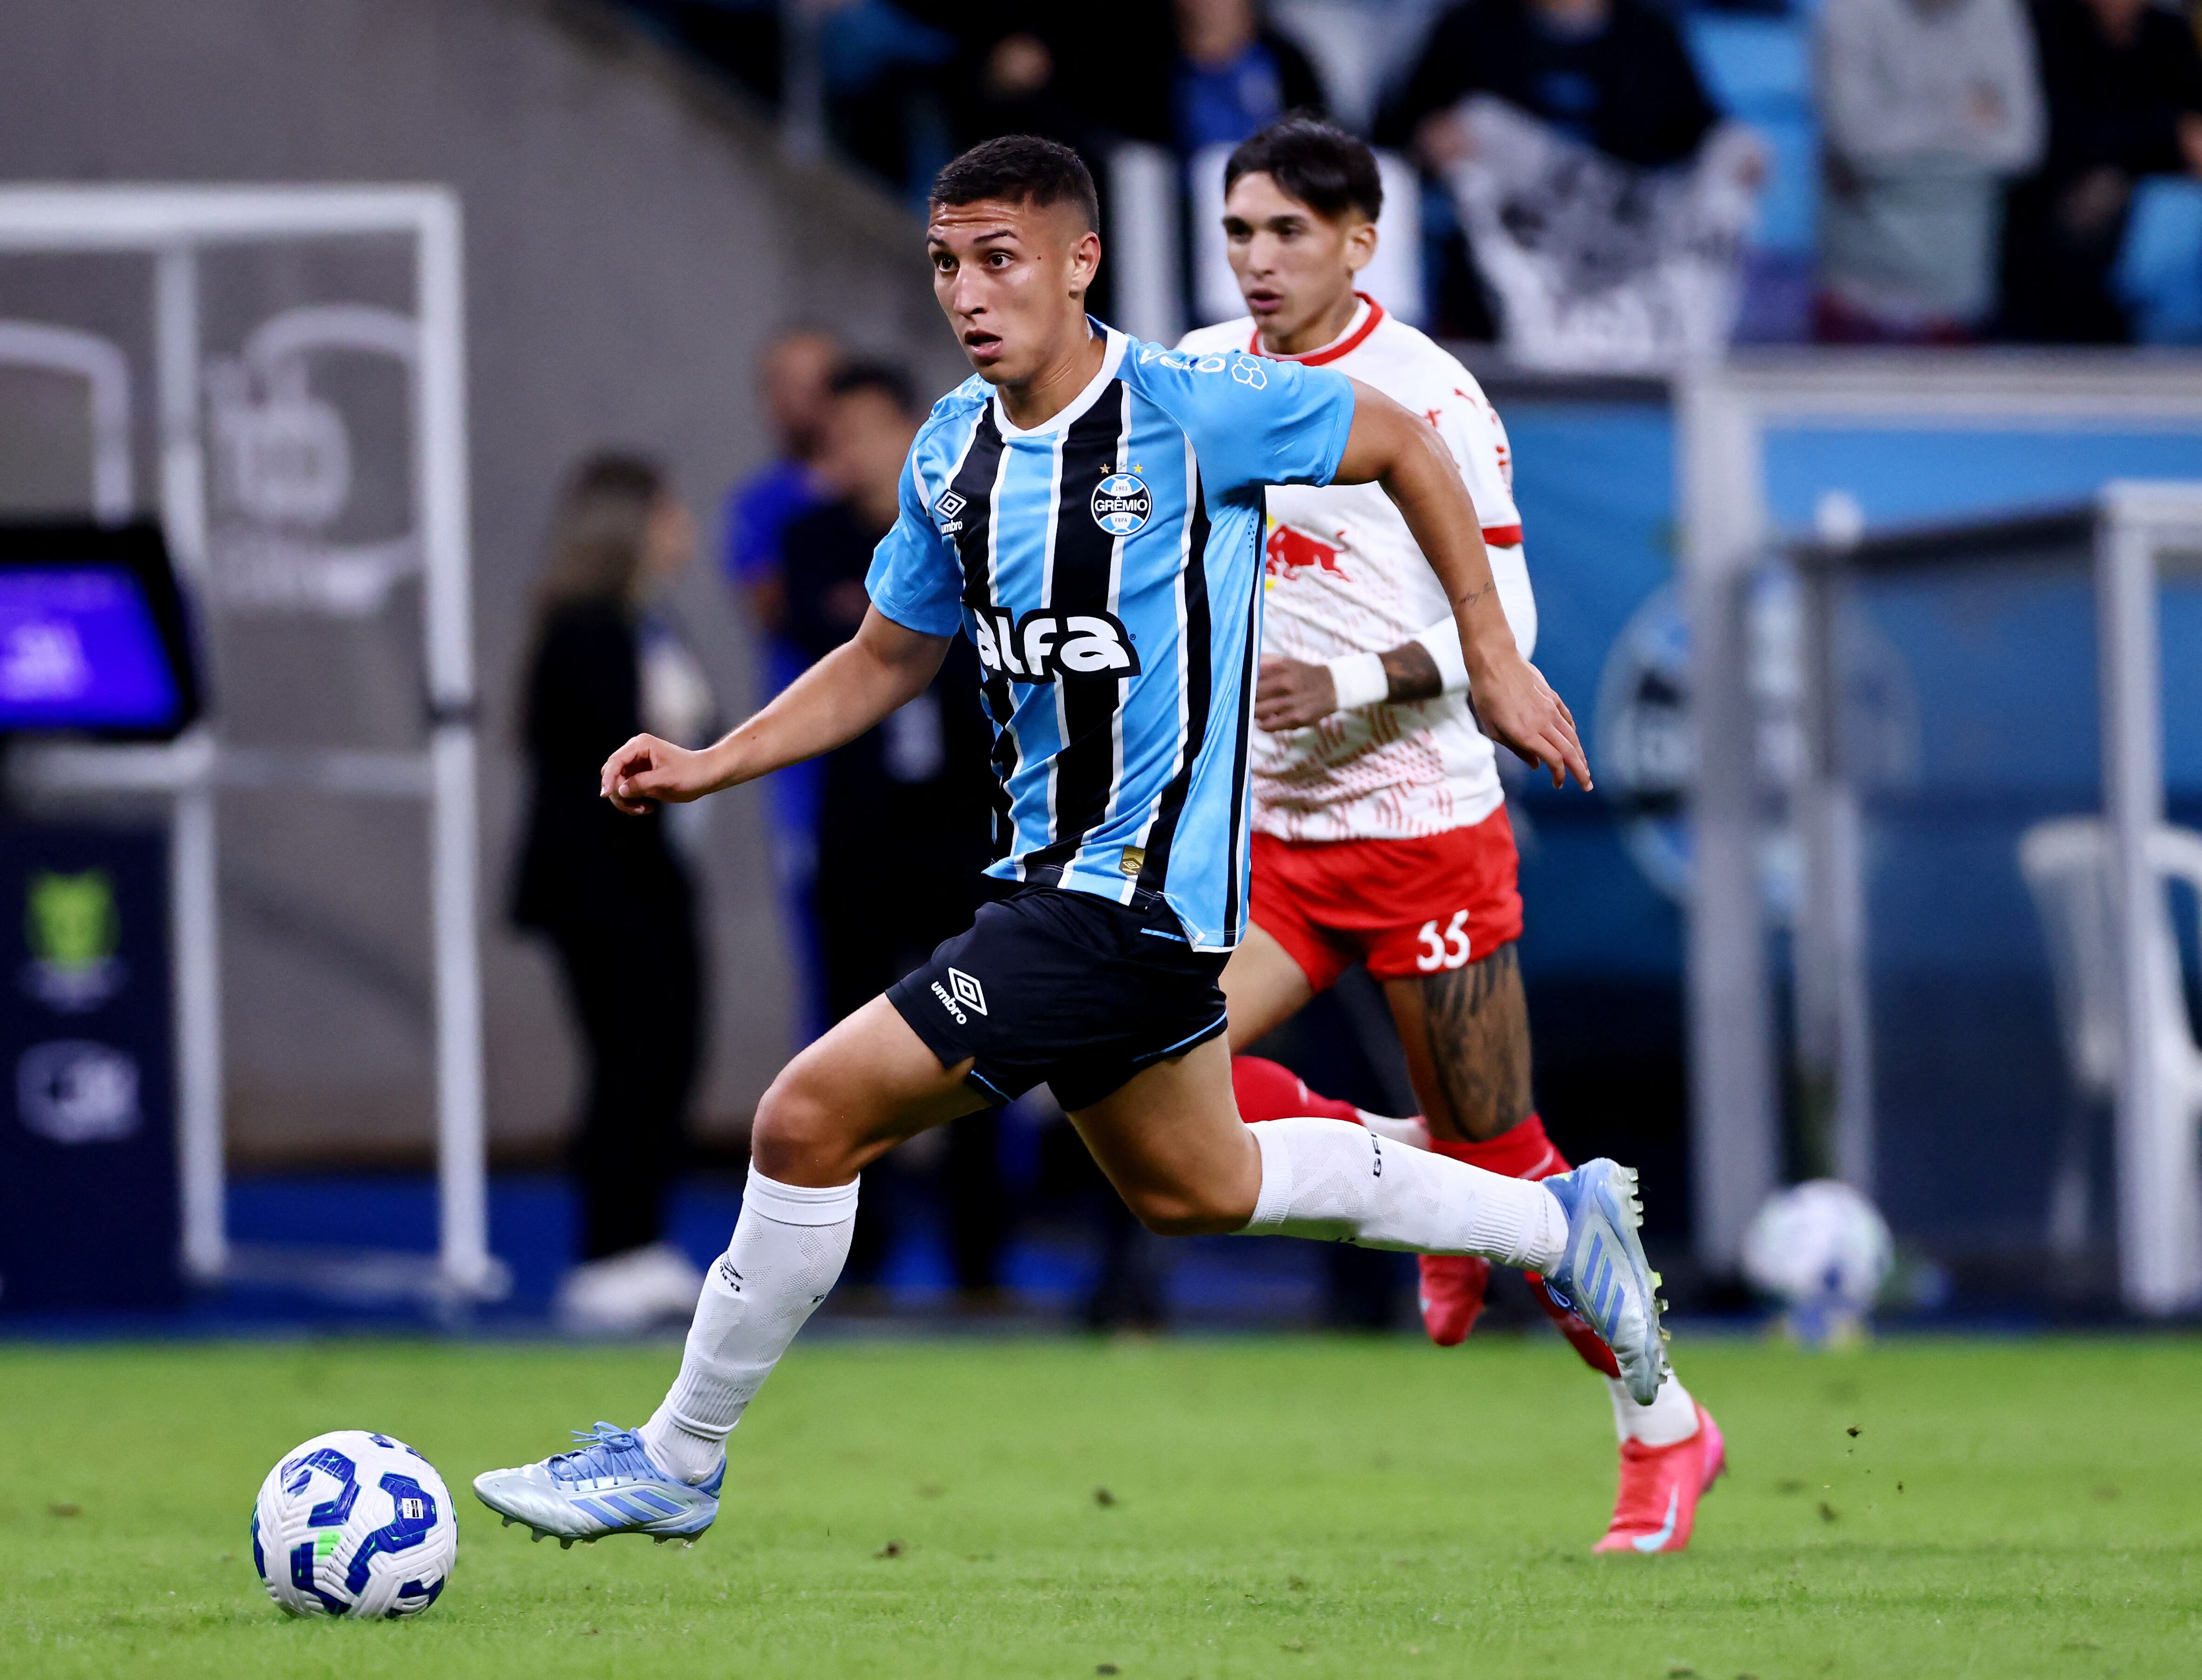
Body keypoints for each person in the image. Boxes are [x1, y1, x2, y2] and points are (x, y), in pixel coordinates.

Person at [474, 134, 1664, 1547]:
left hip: (1129, 907)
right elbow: (880, 655)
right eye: (942, 265)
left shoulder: (1191, 408)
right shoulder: (952, 451)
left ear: (1075, 263)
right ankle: (1554, 1222)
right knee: (1193, 1186)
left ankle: (676, 1458)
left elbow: (1399, 443)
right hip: (1052, 889)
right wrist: (712, 762)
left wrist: (1485, 646)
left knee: (804, 1115)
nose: (966, 295)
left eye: (998, 261)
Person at [1176, 117, 1722, 1553]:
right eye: (1237, 231)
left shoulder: (1427, 394)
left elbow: (1513, 627)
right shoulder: (1193, 376)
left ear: (1360, 239)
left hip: (1421, 832)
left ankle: (1664, 1429)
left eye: (1286, 231)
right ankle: (1427, 1183)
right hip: (1271, 844)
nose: (1256, 260)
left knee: (1517, 1173)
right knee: (1144, 1073)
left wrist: (1342, 682)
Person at [780, 359, 1008, 1298]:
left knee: (976, 1044)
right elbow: (825, 632)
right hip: (859, 839)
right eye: (837, 432)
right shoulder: (814, 537)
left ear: (910, 428)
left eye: (869, 427)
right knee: (845, 1051)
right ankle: (856, 1266)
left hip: (962, 833)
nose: (852, 449)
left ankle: (978, 1264)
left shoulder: (969, 523)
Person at [513, 455, 714, 1336]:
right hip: (601, 888)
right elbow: (603, 764)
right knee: (627, 1062)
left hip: (653, 879)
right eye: (671, 511)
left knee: (664, 1056)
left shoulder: (647, 622)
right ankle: (603, 1253)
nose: (685, 527)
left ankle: (640, 1240)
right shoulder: (585, 628)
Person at [723, 328, 840, 1039]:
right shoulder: (762, 507)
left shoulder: (908, 490)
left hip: (920, 765)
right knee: (828, 962)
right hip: (807, 765)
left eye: (816, 382)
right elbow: (777, 607)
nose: (799, 403)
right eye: (782, 385)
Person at [1814, 0, 2043, 342]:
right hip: (1857, 288)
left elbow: (2020, 146)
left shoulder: (1998, 11)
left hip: (1959, 292)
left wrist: (1897, 134)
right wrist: (1962, 115)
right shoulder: (1847, 12)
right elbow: (1856, 141)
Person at [1997, 0, 2202, 343]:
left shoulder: (2167, 33)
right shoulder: (2047, 27)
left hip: (2158, 189)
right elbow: (2053, 130)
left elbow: (2190, 117)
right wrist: (2166, 135)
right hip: (2058, 183)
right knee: (2100, 198)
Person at [1379, 0, 1722, 175]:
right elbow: (1393, 135)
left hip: (1626, 253)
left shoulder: (1652, 35)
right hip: (1499, 263)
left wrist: (1733, 151)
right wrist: (1428, 139)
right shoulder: (1468, 30)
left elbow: (1701, 131)